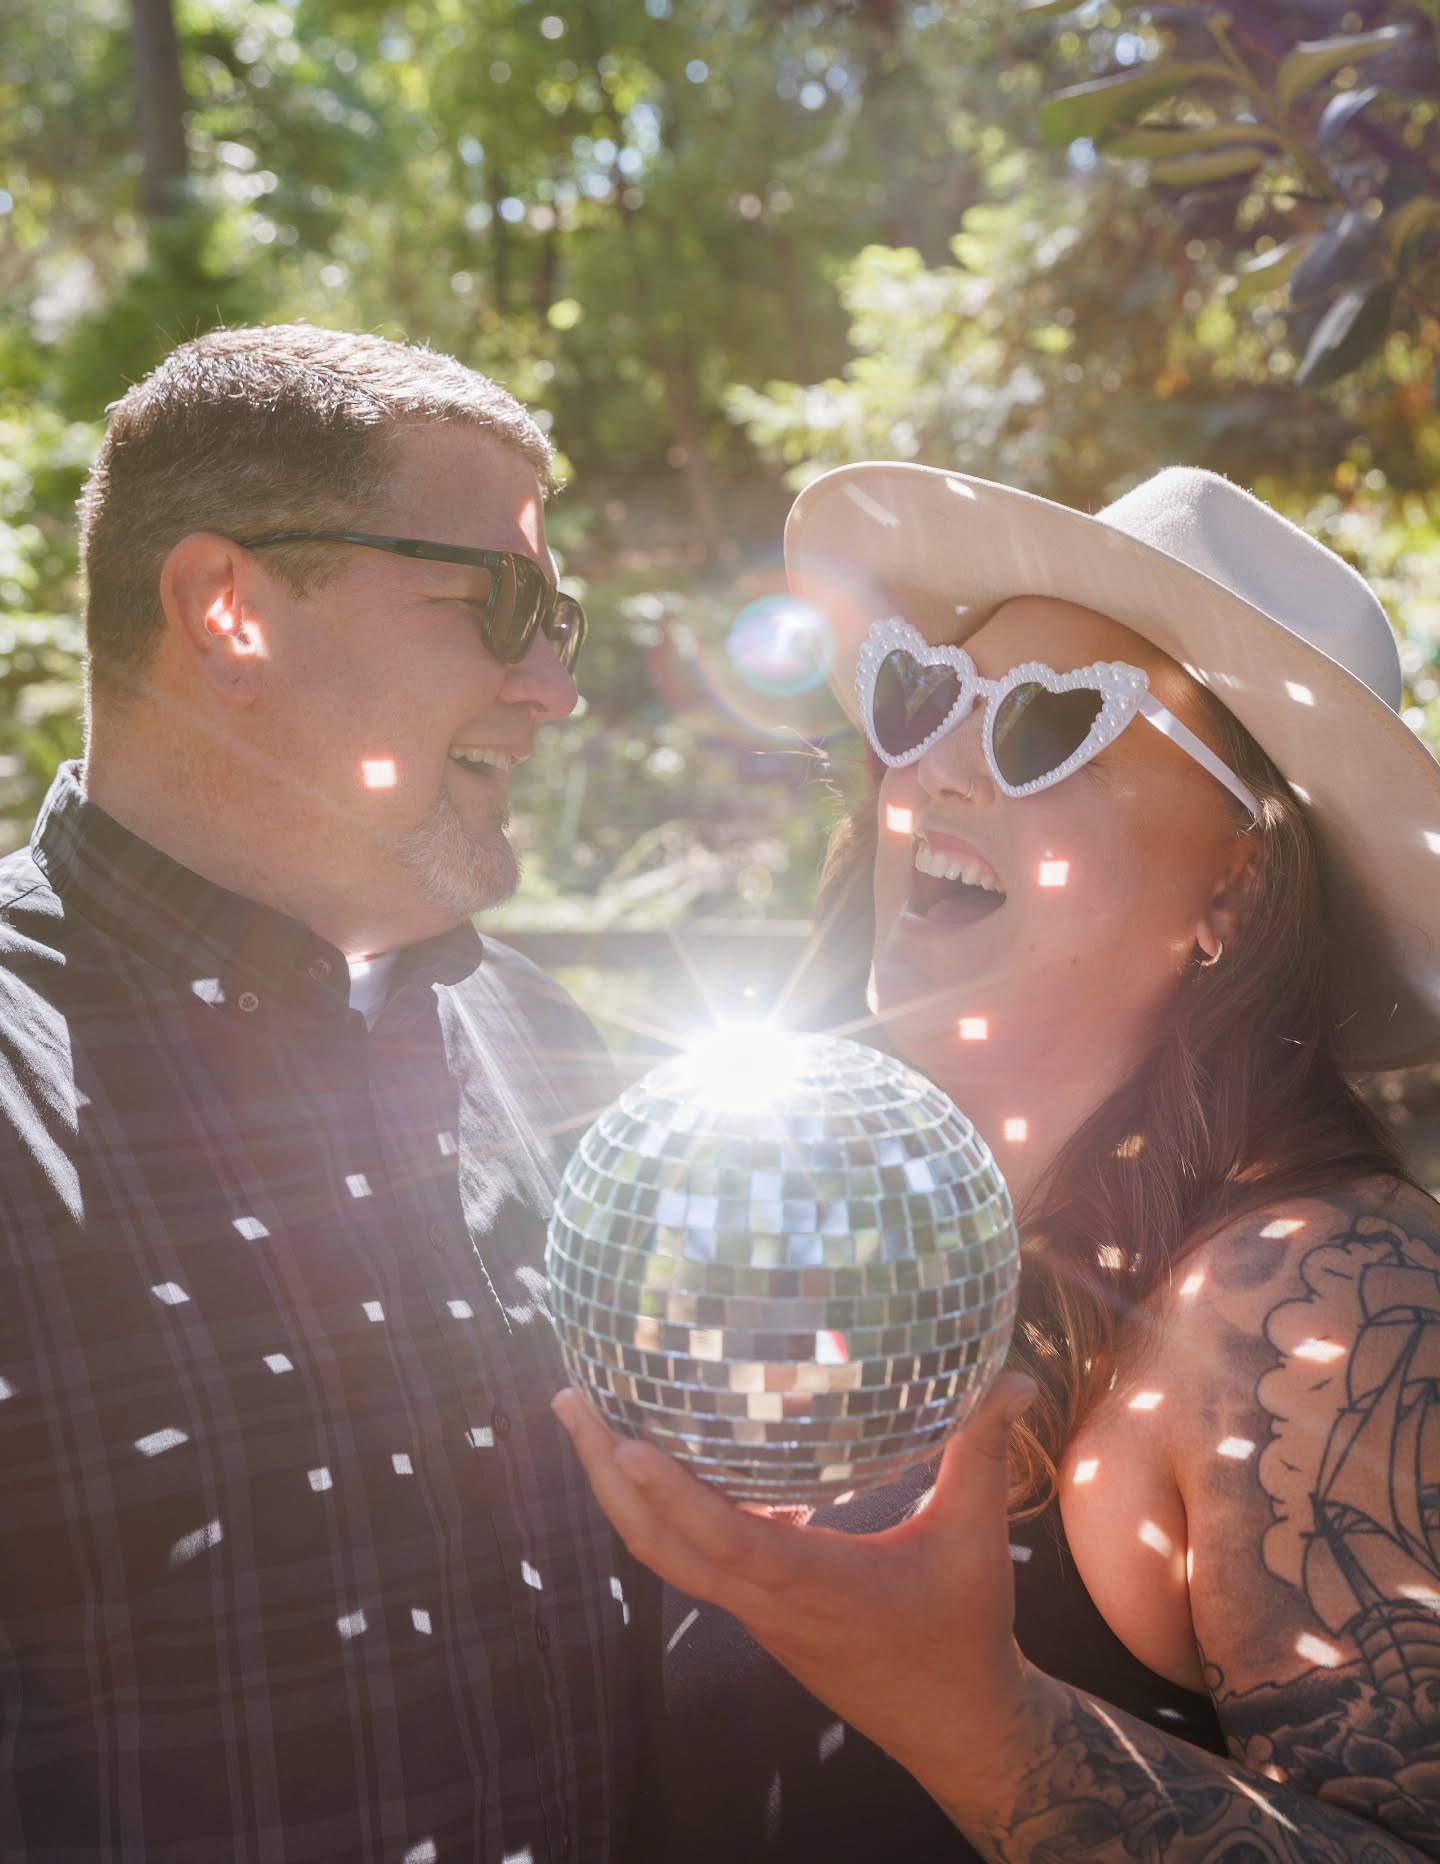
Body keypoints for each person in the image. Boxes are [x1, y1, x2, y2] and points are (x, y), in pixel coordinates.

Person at [554, 463, 1440, 1861]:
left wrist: (973, 1715)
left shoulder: (1313, 1299)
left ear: (1235, 887)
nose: (940, 768)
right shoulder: (834, 1236)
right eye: (924, 696)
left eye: (1049, 725)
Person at [0, 325, 650, 1862]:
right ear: (227, 610)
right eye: (494, 603)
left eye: (558, 616)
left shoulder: (554, 1057)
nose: (552, 686)